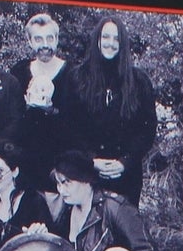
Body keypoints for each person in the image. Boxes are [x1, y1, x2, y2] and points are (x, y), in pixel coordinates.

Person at [67, 16, 158, 208]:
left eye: (116, 38)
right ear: (97, 40)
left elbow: (147, 130)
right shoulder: (77, 78)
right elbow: (70, 126)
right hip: (86, 175)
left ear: (123, 43)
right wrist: (90, 160)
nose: (110, 43)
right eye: (106, 37)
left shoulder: (139, 81)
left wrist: (125, 162)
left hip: (125, 177)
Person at [8, 12, 71, 192]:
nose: (45, 45)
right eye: (38, 39)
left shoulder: (72, 74)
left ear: (57, 40)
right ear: (29, 41)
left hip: (60, 164)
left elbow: (76, 121)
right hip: (25, 163)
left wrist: (52, 111)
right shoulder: (19, 72)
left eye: (49, 38)